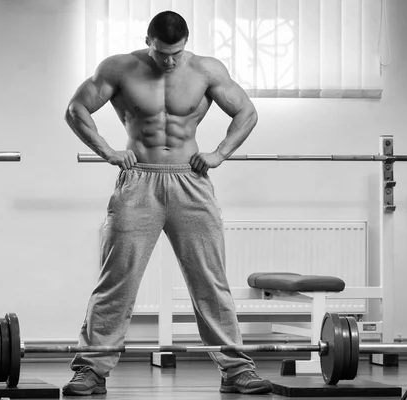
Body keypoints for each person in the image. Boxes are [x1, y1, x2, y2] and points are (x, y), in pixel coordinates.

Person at [62, 10, 271, 396]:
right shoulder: (119, 68)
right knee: (117, 279)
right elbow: (76, 109)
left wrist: (220, 153)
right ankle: (90, 369)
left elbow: (247, 111)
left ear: (186, 43)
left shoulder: (207, 70)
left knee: (210, 279)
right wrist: (107, 150)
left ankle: (237, 369)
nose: (169, 61)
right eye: (162, 54)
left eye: (176, 53)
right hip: (138, 180)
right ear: (148, 41)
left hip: (190, 181)